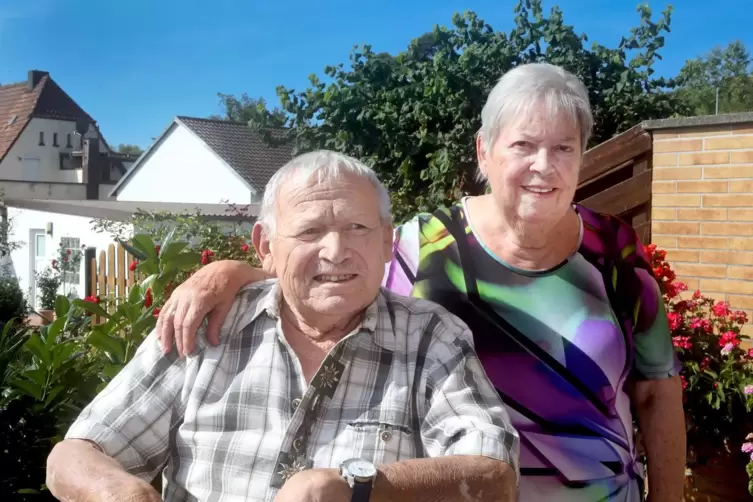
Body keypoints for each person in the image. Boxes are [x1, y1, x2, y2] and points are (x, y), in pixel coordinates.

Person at [156, 63, 686, 502]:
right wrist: (232, 272)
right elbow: (329, 271)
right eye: (523, 145)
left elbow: (657, 394)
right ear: (485, 152)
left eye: (563, 148)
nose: (543, 166)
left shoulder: (615, 253)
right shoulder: (423, 246)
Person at [46, 151, 520, 502]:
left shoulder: (431, 337)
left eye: (357, 228)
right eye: (310, 231)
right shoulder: (208, 322)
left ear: (386, 243)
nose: (336, 251)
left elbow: (494, 474)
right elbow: (72, 456)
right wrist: (123, 495)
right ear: (266, 246)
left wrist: (356, 487)